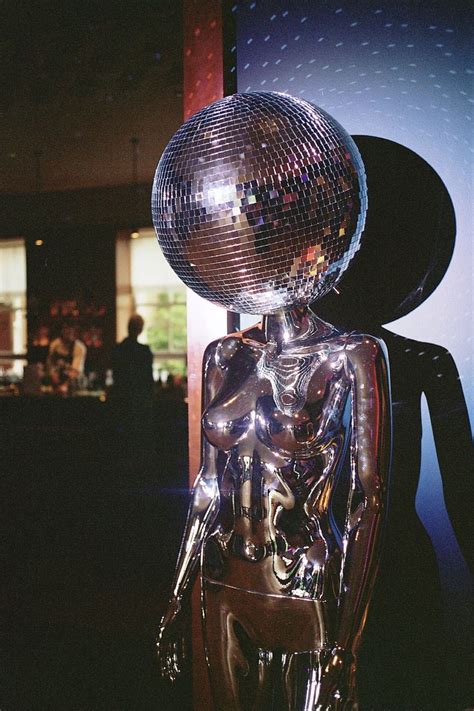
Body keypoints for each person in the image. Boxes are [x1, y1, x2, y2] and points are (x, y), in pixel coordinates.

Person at [111, 314, 154, 451]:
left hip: (121, 398)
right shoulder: (144, 352)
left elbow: (115, 376)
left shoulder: (118, 349)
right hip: (140, 400)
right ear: (140, 330)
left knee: (122, 438)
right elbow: (148, 380)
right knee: (139, 438)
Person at [47, 322, 86, 394]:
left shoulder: (79, 348)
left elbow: (75, 371)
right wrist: (53, 375)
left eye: (70, 330)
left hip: (73, 385)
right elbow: (50, 363)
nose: (67, 332)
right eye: (65, 329)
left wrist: (65, 385)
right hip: (56, 383)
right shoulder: (54, 345)